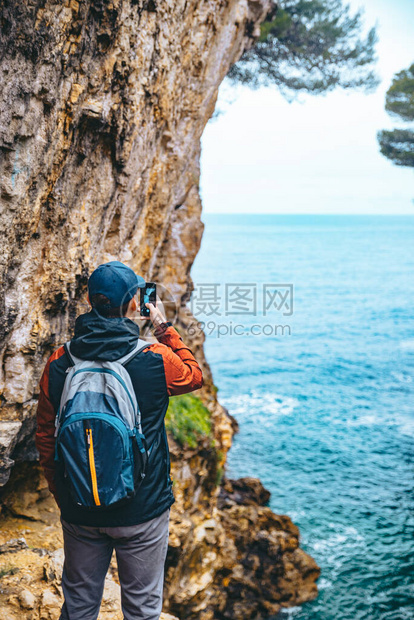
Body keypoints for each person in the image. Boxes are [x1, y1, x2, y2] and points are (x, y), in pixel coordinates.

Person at [35, 261, 203, 620]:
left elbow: (45, 436)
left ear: (90, 301)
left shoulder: (59, 361)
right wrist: (161, 326)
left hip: (79, 506)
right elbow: (193, 376)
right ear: (133, 304)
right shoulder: (155, 359)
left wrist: (62, 492)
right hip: (143, 510)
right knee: (142, 608)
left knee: (79, 605)